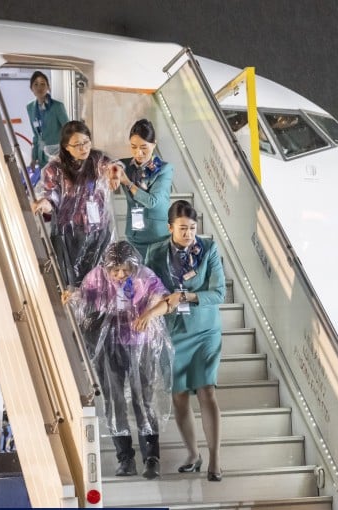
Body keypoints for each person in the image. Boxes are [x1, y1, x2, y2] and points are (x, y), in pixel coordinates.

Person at [70, 241, 173, 480]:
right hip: (109, 346)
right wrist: (74, 295)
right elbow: (85, 297)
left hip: (140, 344)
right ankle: (125, 458)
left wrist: (149, 313)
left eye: (125, 270)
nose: (120, 275)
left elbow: (162, 298)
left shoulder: (144, 276)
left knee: (143, 399)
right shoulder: (97, 276)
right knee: (114, 401)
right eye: (115, 271)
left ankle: (151, 457)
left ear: (133, 266)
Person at [140, 201, 226, 481]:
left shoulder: (209, 250)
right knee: (178, 396)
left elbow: (219, 293)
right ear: (170, 228)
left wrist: (188, 296)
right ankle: (193, 454)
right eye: (182, 229)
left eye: (192, 228)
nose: (188, 233)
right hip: (174, 330)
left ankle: (215, 460)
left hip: (204, 330)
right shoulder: (155, 253)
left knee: (206, 391)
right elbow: (149, 288)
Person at [34, 121, 119, 289]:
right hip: (69, 235)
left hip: (98, 232)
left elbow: (113, 167)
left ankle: (93, 314)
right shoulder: (55, 168)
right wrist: (45, 202)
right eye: (78, 145)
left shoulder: (96, 159)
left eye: (86, 142)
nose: (84, 148)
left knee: (98, 283)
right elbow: (52, 197)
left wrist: (115, 174)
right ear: (66, 146)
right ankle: (73, 313)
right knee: (71, 284)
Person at [116, 119, 174, 260]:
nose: (139, 153)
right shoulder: (124, 165)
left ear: (154, 144)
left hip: (157, 235)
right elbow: (107, 167)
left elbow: (152, 201)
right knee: (136, 278)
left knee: (156, 280)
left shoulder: (164, 169)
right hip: (135, 233)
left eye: (144, 147)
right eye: (134, 147)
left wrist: (128, 183)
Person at [25, 71, 69, 168]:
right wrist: (33, 158)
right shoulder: (30, 108)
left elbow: (68, 131)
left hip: (57, 156)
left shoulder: (57, 107)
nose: (39, 87)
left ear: (48, 87)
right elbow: (36, 135)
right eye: (36, 84)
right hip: (42, 157)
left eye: (42, 84)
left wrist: (67, 155)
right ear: (31, 88)